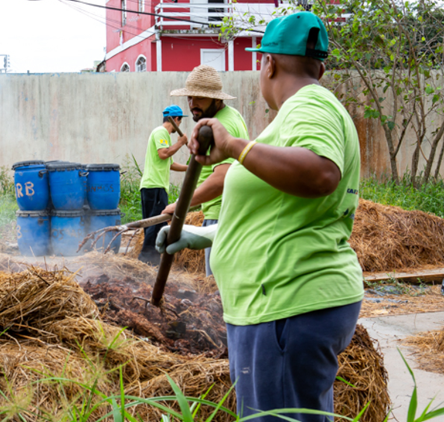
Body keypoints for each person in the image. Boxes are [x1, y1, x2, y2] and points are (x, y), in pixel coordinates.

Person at [156, 12, 364, 421]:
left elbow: (321, 173)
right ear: (319, 65)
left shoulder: (309, 105)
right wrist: (206, 235)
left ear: (268, 63)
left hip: (286, 304)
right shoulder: (293, 117)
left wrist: (235, 147)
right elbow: (280, 214)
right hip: (280, 305)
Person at [162, 65, 249, 277]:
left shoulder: (222, 124)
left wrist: (179, 205)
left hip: (222, 217)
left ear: (216, 99)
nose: (193, 104)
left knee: (216, 293)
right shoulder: (229, 116)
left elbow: (221, 179)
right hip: (223, 214)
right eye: (190, 98)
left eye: (200, 98)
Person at [137, 105, 189, 266]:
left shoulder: (163, 136)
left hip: (152, 186)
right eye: (180, 121)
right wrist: (180, 143)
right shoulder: (161, 133)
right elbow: (163, 154)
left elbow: (170, 163)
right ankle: (146, 260)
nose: (180, 126)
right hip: (155, 186)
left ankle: (150, 261)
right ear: (175, 119)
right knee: (156, 223)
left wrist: (191, 168)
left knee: (152, 223)